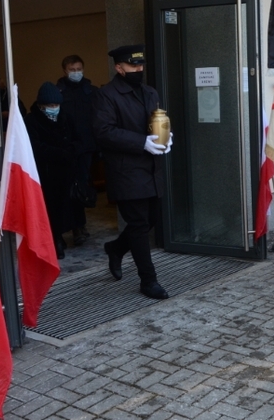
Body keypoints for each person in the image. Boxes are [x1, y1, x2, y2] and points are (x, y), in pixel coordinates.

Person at [92, 45, 172, 299]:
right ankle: (148, 280)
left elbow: (156, 120)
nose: (139, 69)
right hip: (126, 170)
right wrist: (141, 142)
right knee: (138, 224)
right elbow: (103, 132)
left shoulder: (149, 92)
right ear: (119, 67)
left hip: (151, 168)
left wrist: (166, 137)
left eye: (141, 65)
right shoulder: (107, 95)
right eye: (132, 66)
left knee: (150, 220)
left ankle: (115, 248)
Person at [24, 82, 79, 260]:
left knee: (66, 206)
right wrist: (60, 153)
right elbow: (35, 146)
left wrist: (71, 152)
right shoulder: (32, 121)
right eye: (50, 106)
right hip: (46, 172)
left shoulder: (67, 117)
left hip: (66, 171)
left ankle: (68, 233)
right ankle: (55, 240)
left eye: (56, 105)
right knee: (50, 208)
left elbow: (78, 139)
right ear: (41, 105)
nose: (54, 109)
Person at [57, 55, 98, 246]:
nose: (76, 73)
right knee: (68, 187)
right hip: (65, 149)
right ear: (65, 70)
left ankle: (79, 226)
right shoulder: (58, 93)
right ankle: (76, 227)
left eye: (79, 68)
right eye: (72, 69)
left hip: (86, 147)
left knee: (81, 186)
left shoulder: (91, 92)